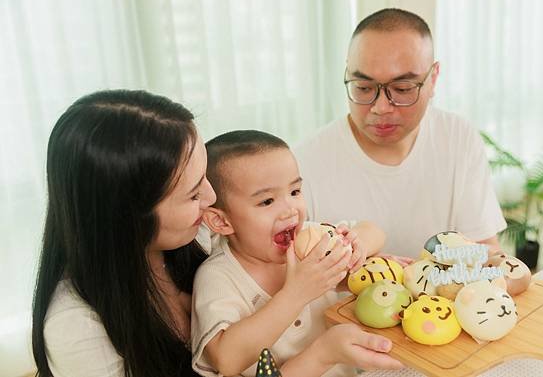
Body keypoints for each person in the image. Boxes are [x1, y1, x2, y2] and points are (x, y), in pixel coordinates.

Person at [31, 90, 217, 377]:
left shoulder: (197, 238)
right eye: (193, 195)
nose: (212, 196)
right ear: (127, 216)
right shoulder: (78, 326)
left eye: (205, 176)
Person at [294, 8, 506, 260]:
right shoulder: (304, 162)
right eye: (363, 87)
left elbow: (488, 252)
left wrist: (423, 278)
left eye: (403, 89)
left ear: (433, 79)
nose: (381, 107)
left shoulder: (457, 137)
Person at [191, 130, 403, 377]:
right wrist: (297, 293)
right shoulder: (218, 277)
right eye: (267, 201)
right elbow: (227, 359)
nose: (290, 210)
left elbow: (373, 230)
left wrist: (356, 244)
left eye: (295, 192)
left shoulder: (311, 240)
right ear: (221, 221)